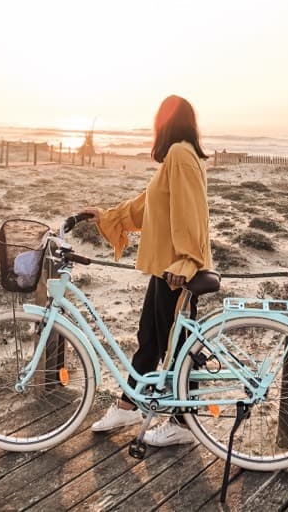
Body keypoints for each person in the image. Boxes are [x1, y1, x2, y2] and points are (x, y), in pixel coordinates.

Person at [79, 95, 211, 447]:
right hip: (165, 267)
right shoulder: (178, 156)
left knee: (179, 344)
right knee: (150, 339)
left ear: (165, 122)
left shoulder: (181, 155)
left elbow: (190, 211)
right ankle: (129, 404)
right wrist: (108, 216)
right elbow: (147, 204)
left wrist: (185, 261)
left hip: (176, 270)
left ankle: (185, 422)